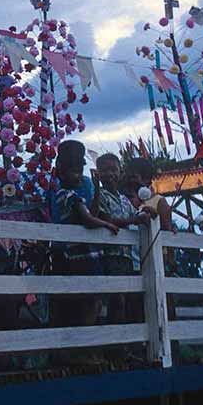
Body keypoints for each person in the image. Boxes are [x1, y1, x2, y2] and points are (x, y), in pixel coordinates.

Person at [51, 141, 120, 363]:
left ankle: (85, 349)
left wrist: (98, 189)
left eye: (79, 170)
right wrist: (106, 225)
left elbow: (92, 210)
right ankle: (81, 351)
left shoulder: (82, 188)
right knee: (83, 303)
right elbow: (88, 218)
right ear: (61, 170)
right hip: (75, 254)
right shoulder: (62, 192)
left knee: (92, 301)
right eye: (73, 170)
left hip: (86, 253)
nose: (78, 175)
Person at [93, 153, 148, 325]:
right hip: (110, 255)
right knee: (117, 300)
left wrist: (145, 215)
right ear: (98, 173)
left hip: (128, 257)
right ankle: (114, 348)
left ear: (120, 172)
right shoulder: (99, 195)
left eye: (113, 170)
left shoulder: (125, 200)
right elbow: (104, 218)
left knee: (130, 300)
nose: (110, 174)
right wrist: (135, 220)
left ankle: (127, 346)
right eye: (104, 170)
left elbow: (135, 217)